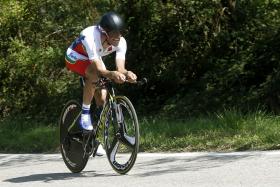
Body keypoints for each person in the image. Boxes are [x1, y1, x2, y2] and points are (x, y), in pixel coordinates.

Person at [65, 12, 137, 155]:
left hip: (94, 59)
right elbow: (98, 69)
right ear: (104, 33)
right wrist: (112, 74)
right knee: (93, 74)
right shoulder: (90, 36)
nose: (117, 37)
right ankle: (85, 115)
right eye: (113, 34)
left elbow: (120, 68)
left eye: (119, 33)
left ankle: (95, 138)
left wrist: (126, 73)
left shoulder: (121, 41)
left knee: (102, 97)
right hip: (75, 56)